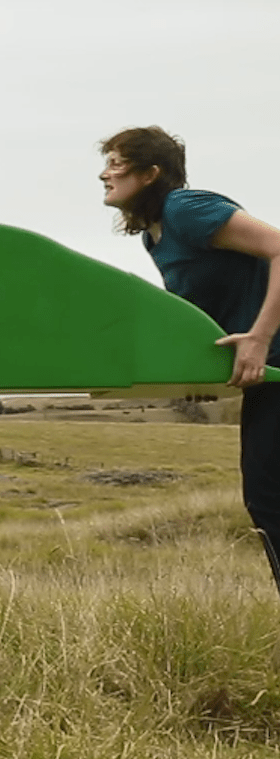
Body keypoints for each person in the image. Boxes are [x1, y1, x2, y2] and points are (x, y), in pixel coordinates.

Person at [99, 126, 280, 593]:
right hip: (268, 379)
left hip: (278, 363)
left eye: (116, 164)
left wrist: (259, 337)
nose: (104, 174)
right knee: (265, 500)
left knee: (269, 498)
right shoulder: (155, 236)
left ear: (151, 173)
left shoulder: (187, 209)